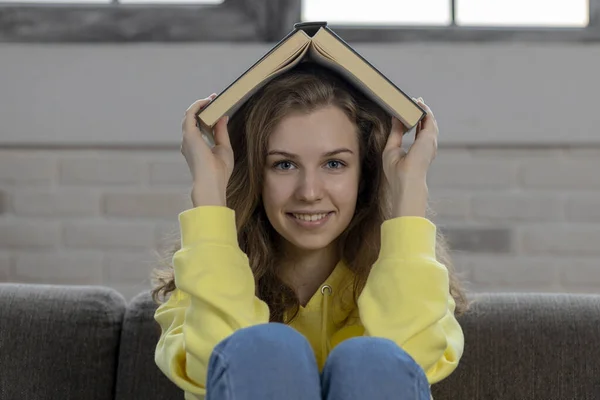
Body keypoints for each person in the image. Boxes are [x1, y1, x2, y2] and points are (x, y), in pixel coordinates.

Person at [151, 62, 468, 400]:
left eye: (334, 164)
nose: (309, 192)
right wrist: (211, 197)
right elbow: (219, 364)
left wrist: (408, 195)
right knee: (265, 348)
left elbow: (408, 366)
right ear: (257, 176)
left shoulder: (421, 284)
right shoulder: (197, 282)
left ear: (365, 175)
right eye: (284, 165)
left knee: (373, 359)